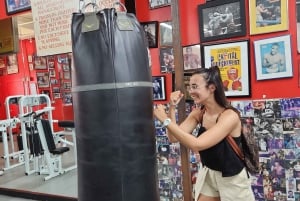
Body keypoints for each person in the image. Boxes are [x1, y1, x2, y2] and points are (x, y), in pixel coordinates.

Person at [153, 66, 255, 201]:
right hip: (209, 172)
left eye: (195, 87)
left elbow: (197, 144)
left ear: (212, 88)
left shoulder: (229, 116)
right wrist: (172, 107)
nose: (191, 91)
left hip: (232, 176)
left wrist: (165, 121)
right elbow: (173, 137)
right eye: (190, 87)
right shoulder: (198, 113)